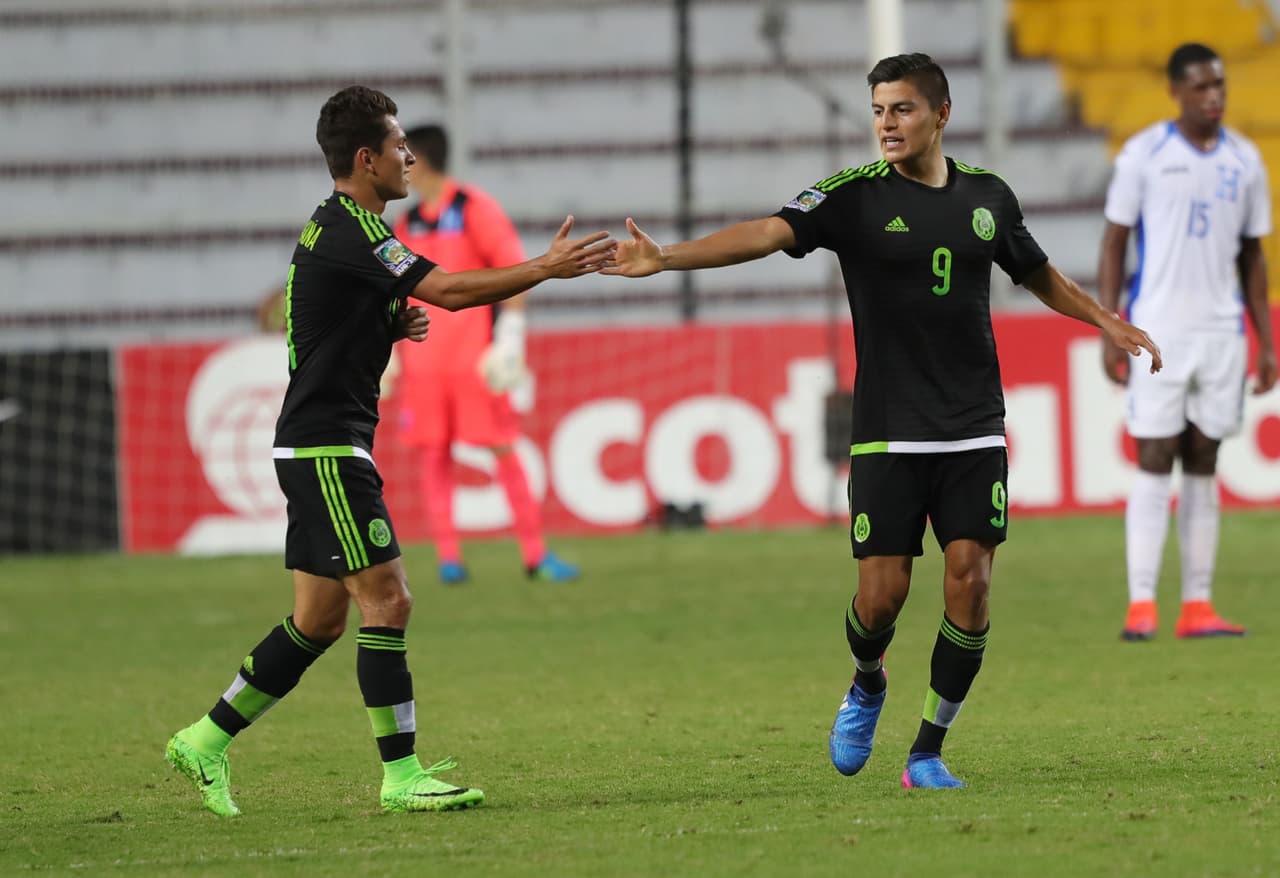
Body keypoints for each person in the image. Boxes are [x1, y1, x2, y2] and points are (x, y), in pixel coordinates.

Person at [603, 53, 1162, 789]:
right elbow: (767, 232)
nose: (886, 125)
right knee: (881, 598)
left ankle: (927, 749)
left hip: (972, 425)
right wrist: (667, 257)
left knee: (972, 583)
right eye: (877, 111)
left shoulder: (990, 198)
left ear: (941, 114)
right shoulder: (852, 197)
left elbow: (1035, 272)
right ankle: (867, 680)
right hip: (888, 429)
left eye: (901, 109)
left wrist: (1102, 320)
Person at [165, 85, 613, 817]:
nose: (412, 157)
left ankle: (204, 739)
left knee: (318, 619)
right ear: (366, 158)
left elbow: (327, 316)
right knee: (389, 599)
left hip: (315, 445)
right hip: (326, 451)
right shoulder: (356, 229)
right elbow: (455, 290)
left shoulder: (340, 226)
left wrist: (381, 326)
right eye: (400, 145)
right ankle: (401, 775)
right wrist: (543, 268)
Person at [1099, 43, 1275, 642]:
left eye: (1219, 85)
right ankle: (1139, 604)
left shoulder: (1247, 160)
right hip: (1158, 329)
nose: (1214, 96)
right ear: (1176, 91)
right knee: (1154, 455)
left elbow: (1254, 256)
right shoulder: (1144, 155)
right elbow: (1114, 243)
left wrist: (1266, 341)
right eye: (1201, 87)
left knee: (1204, 458)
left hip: (1221, 334)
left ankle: (1197, 605)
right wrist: (1108, 323)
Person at [389, 123, 578, 585]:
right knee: (434, 455)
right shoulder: (405, 224)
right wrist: (390, 352)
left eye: (401, 154)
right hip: (424, 361)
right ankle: (449, 560)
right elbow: (391, 290)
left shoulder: (474, 209)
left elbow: (515, 268)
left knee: (502, 447)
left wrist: (511, 334)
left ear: (420, 160)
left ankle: (534, 554)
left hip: (474, 358)